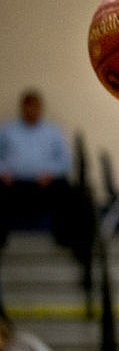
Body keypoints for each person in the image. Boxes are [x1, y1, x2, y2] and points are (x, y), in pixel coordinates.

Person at [0, 89, 74, 249]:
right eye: (28, 107)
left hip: (44, 184)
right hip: (13, 183)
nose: (31, 110)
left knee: (65, 188)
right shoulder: (7, 130)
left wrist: (51, 173)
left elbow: (65, 160)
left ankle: (63, 239)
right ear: (22, 107)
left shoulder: (53, 131)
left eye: (35, 107)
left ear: (41, 108)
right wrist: (3, 171)